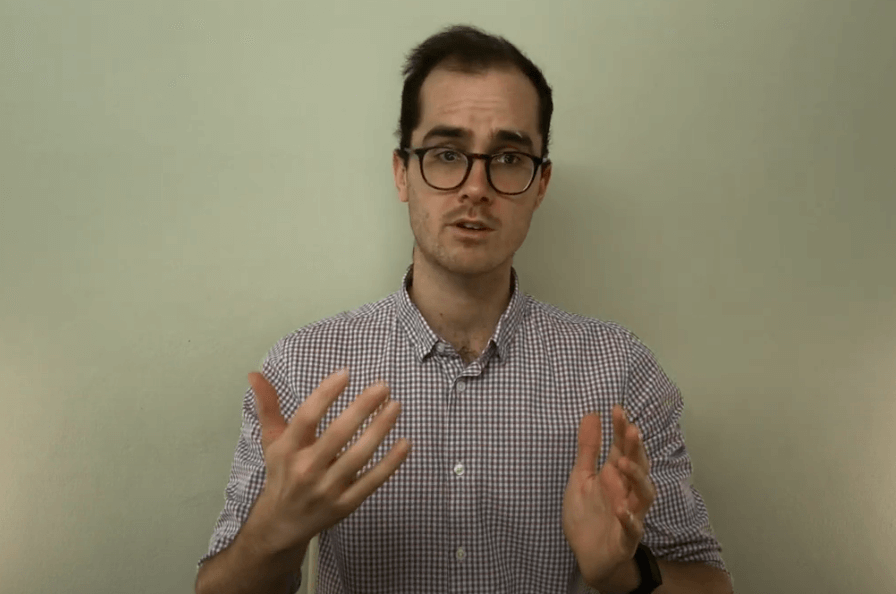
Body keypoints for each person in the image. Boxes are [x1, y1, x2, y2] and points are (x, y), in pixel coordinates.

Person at [195, 25, 733, 594]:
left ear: (541, 183)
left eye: (508, 157)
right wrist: (272, 536)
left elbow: (711, 583)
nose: (476, 187)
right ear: (402, 172)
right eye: (447, 154)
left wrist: (623, 573)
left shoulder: (620, 373)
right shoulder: (306, 369)